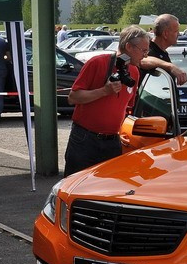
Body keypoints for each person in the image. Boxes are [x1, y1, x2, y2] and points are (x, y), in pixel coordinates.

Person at [63, 25, 151, 176]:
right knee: (76, 182)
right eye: (143, 50)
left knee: (109, 185)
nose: (145, 55)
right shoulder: (97, 63)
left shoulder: (134, 72)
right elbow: (73, 97)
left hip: (112, 141)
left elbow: (127, 107)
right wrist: (104, 91)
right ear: (128, 47)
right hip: (85, 139)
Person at [139, 14, 187, 85]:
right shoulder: (149, 50)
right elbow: (142, 60)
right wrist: (171, 66)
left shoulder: (162, 52)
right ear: (165, 34)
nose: (178, 34)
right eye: (176, 31)